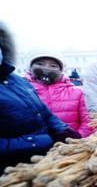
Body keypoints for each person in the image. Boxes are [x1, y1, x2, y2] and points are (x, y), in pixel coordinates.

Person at [0, 22, 80, 174]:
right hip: (12, 170)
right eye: (41, 63)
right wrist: (39, 142)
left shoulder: (16, 81)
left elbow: (44, 113)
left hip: (45, 161)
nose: (46, 69)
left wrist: (63, 131)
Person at [24, 52, 93, 137]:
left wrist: (76, 141)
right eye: (40, 64)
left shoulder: (78, 93)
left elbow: (88, 122)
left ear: (61, 70)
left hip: (69, 146)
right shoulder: (21, 91)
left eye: (53, 66)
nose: (46, 68)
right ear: (30, 67)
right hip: (33, 147)